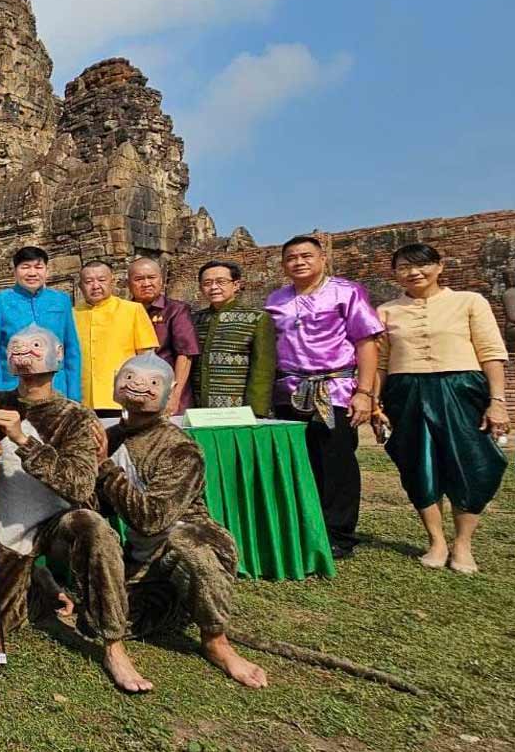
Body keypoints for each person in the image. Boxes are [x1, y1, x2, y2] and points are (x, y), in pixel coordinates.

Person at [83, 354, 269, 691]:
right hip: (143, 557)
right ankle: (179, 604)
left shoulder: (180, 449)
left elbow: (152, 518)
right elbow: (100, 506)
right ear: (115, 384)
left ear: (169, 394)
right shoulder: (110, 438)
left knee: (190, 549)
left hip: (189, 541)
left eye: (153, 382)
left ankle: (216, 639)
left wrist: (104, 468)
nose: (140, 386)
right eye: (130, 377)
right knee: (93, 622)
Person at [373, 243, 509, 573]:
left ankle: (463, 544)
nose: (413, 272)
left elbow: (491, 352)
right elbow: (380, 362)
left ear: (440, 266)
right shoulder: (386, 311)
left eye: (421, 265)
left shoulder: (469, 302)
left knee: (473, 464)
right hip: (406, 391)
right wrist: (375, 402)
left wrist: (498, 401)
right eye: (404, 267)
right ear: (395, 274)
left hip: (462, 388)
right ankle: (436, 540)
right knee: (418, 464)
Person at [0, 325, 106, 640]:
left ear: (57, 354)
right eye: (17, 345)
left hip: (58, 519)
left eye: (36, 345)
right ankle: (39, 585)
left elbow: (79, 487)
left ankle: (110, 636)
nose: (25, 352)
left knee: (93, 528)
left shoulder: (76, 416)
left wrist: (22, 440)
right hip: (7, 523)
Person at [265, 235, 383, 559]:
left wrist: (365, 392)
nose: (299, 262)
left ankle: (338, 534)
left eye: (306, 256)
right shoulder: (276, 301)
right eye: (291, 258)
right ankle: (305, 527)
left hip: (335, 389)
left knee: (336, 461)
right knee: (298, 461)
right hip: (289, 391)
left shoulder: (346, 293)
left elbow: (367, 342)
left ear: (322, 259)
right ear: (284, 265)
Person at [0, 247, 82, 401]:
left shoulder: (60, 300)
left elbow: (71, 349)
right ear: (15, 270)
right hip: (13, 387)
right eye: (25, 267)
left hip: (57, 387)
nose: (32, 273)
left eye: (38, 267)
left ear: (47, 270)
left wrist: (74, 394)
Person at [72, 262, 159, 417]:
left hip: (122, 397)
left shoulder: (132, 310)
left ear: (112, 281)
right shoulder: (71, 314)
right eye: (89, 281)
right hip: (80, 400)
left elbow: (147, 358)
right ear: (80, 285)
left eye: (101, 280)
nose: (95, 286)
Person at [190, 261, 276, 417]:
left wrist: (256, 412)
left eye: (221, 282)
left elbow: (262, 371)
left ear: (236, 285)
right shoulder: (194, 320)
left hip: (237, 411)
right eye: (207, 283)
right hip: (198, 410)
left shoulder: (256, 318)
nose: (214, 287)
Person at [127, 258, 199, 415]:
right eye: (139, 279)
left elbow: (185, 354)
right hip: (132, 392)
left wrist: (175, 395)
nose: (146, 284)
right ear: (129, 283)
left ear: (161, 280)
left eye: (151, 278)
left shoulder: (176, 310)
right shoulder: (123, 312)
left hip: (167, 392)